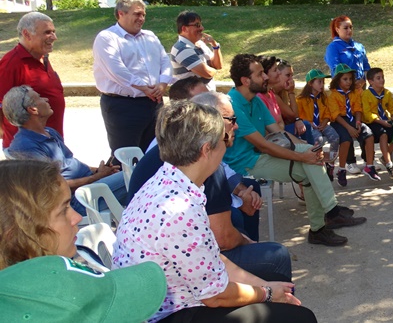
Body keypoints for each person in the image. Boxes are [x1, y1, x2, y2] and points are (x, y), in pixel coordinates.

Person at [114, 101, 317, 322]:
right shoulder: (181, 209)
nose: (228, 144)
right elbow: (215, 296)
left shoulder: (169, 179)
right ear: (206, 150)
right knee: (300, 317)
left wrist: (267, 286)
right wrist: (267, 293)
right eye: (225, 139)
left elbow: (211, 258)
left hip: (172, 296)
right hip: (167, 313)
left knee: (277, 282)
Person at [128, 92, 290, 282]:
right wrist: (248, 245)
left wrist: (239, 194)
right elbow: (222, 240)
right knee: (276, 256)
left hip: (154, 266)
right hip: (167, 279)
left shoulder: (176, 150)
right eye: (231, 119)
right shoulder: (202, 164)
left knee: (239, 213)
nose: (236, 125)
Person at [224, 54, 366, 246]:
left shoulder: (256, 99)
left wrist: (307, 149)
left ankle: (322, 224)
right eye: (260, 74)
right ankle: (328, 217)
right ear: (245, 80)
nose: (266, 77)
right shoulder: (233, 104)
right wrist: (301, 155)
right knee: (310, 166)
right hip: (246, 165)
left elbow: (279, 132)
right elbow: (264, 145)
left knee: (312, 160)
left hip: (261, 156)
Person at [0, 159, 167, 323]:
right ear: (19, 229)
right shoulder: (55, 294)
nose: (77, 217)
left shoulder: (48, 276)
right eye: (63, 210)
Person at [3, 85, 127, 213]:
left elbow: (69, 163)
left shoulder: (49, 132)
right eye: (39, 97)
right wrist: (95, 178)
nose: (45, 99)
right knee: (134, 177)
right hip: (75, 200)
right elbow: (51, 186)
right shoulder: (25, 146)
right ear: (33, 110)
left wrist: (98, 171)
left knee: (132, 177)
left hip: (88, 187)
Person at [93, 0, 172, 156]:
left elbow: (165, 60)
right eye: (137, 14)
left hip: (154, 103)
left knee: (155, 154)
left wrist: (162, 84)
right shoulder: (107, 38)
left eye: (143, 14)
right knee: (126, 157)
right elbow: (117, 70)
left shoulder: (150, 36)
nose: (141, 18)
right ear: (121, 13)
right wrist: (144, 88)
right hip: (123, 106)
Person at [0, 12, 64, 149]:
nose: (54, 37)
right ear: (27, 34)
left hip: (51, 144)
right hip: (28, 151)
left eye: (54, 32)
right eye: (47, 32)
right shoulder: (11, 64)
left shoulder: (42, 57)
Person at [324, 15, 371, 170]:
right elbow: (336, 68)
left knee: (359, 120)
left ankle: (367, 159)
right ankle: (350, 161)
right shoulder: (333, 47)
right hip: (342, 89)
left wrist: (363, 80)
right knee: (345, 121)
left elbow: (366, 66)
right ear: (337, 29)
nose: (349, 30)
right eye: (345, 27)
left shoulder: (358, 46)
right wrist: (348, 82)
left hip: (359, 88)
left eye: (351, 27)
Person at [328, 63, 378, 183]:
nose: (349, 82)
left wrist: (358, 121)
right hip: (340, 121)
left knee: (369, 135)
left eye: (350, 79)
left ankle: (369, 166)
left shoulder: (354, 92)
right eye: (345, 79)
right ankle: (341, 169)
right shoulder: (333, 95)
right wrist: (349, 128)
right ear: (337, 80)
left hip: (353, 119)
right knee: (346, 140)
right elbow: (336, 115)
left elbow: (358, 109)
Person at [296, 68, 340, 177]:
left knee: (335, 137)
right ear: (310, 83)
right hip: (310, 125)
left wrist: (325, 122)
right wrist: (309, 123)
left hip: (322, 124)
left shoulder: (323, 97)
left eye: (323, 82)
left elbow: (327, 113)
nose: (322, 85)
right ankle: (319, 163)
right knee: (318, 140)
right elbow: (298, 116)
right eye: (319, 82)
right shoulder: (301, 99)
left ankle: (330, 163)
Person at [362, 67, 393, 177]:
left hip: (385, 119)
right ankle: (389, 164)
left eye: (383, 77)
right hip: (373, 121)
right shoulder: (366, 94)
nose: (382, 80)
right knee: (383, 133)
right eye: (378, 78)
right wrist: (381, 122)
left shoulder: (387, 93)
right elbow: (367, 113)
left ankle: (385, 156)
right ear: (370, 82)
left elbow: (392, 108)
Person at [170, 11, 223, 91]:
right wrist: (213, 69)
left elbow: (218, 65)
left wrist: (215, 46)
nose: (202, 28)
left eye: (201, 24)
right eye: (197, 25)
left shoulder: (200, 44)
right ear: (184, 28)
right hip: (193, 100)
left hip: (207, 98)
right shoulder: (182, 49)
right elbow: (208, 73)